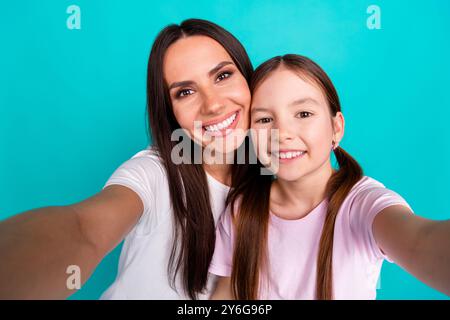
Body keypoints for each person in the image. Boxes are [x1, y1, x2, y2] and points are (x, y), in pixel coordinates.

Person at [0, 18, 253, 299]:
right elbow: (84, 229)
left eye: (222, 76)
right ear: (171, 113)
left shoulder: (274, 184)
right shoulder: (154, 173)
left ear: (248, 78)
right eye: (185, 92)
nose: (213, 104)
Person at [209, 54, 450, 300]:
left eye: (303, 114)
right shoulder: (242, 209)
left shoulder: (362, 204)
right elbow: (228, 291)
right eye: (265, 119)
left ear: (336, 128)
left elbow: (419, 240)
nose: (282, 134)